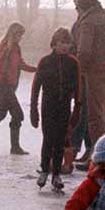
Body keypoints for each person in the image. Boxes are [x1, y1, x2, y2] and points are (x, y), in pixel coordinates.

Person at [30, 28, 81, 192]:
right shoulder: (45, 61)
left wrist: (77, 109)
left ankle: (56, 174)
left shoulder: (73, 63)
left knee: (60, 141)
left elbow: (78, 87)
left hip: (64, 105)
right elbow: (36, 86)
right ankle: (45, 170)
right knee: (48, 138)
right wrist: (33, 109)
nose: (64, 46)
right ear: (54, 44)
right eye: (61, 43)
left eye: (67, 43)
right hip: (48, 105)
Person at [0, 22, 37, 154]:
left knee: (0, 114)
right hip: (4, 86)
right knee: (18, 114)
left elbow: (20, 64)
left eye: (21, 35)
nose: (20, 37)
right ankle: (15, 147)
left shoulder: (16, 48)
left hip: (10, 86)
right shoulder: (5, 48)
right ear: (12, 33)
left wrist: (36, 69)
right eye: (19, 35)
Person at [72, 0, 105, 148]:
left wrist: (77, 71)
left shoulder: (88, 21)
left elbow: (84, 51)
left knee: (95, 116)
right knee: (104, 111)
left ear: (83, 6)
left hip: (94, 70)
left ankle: (100, 154)